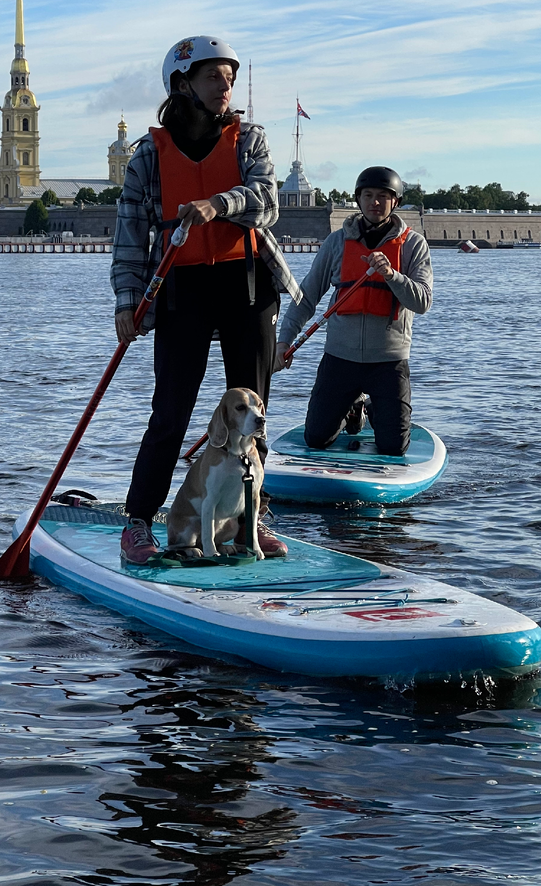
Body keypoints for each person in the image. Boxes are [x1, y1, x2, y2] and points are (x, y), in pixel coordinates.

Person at [112, 36, 302, 565]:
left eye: (231, 78)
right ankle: (138, 522)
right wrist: (128, 302)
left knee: (252, 412)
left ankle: (251, 518)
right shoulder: (148, 155)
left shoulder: (250, 140)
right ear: (182, 83)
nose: (226, 88)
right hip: (182, 290)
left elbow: (266, 202)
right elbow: (130, 235)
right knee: (169, 414)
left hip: (247, 287)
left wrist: (218, 204)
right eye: (215, 77)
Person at [275, 166, 432, 455]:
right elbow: (306, 297)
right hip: (340, 358)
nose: (375, 202)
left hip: (388, 362)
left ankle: (371, 405)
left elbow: (422, 302)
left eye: (383, 197)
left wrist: (392, 275)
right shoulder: (336, 242)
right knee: (317, 439)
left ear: (394, 201)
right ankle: (352, 407)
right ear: (358, 199)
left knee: (393, 448)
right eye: (368, 195)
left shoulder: (413, 245)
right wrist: (284, 340)